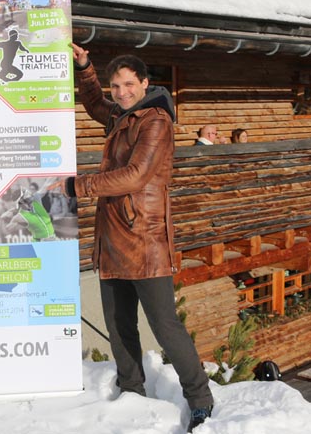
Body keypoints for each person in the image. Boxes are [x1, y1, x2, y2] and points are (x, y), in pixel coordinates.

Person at [58, 44, 213, 432]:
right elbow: (94, 103)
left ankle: (199, 397)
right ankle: (132, 389)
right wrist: (86, 67)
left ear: (145, 83)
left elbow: (136, 175)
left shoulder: (154, 121)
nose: (122, 91)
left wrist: (79, 185)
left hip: (145, 239)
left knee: (164, 325)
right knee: (118, 323)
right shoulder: (121, 115)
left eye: (129, 83)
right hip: (112, 236)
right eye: (116, 85)